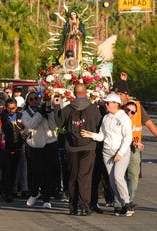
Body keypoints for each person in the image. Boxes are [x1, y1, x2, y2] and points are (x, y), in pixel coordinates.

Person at [114, 74, 157, 203]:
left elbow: (149, 123)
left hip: (134, 148)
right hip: (117, 147)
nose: (119, 97)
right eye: (117, 94)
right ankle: (119, 202)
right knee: (118, 176)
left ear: (127, 95)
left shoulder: (137, 107)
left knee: (133, 176)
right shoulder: (114, 108)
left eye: (121, 94)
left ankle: (129, 200)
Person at [81, 92, 135, 216]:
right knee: (111, 181)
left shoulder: (124, 118)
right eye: (106, 102)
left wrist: (120, 153)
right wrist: (91, 135)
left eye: (108, 103)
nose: (106, 105)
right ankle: (122, 204)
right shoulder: (106, 117)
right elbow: (102, 136)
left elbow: (128, 138)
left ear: (116, 104)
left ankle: (127, 203)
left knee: (118, 177)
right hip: (107, 152)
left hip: (121, 152)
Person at [55, 83, 101, 215]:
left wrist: (57, 106)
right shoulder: (93, 108)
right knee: (85, 177)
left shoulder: (69, 108)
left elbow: (58, 123)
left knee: (73, 176)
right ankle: (85, 207)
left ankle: (73, 207)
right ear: (86, 92)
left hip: (72, 148)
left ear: (74, 94)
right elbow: (99, 124)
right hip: (89, 147)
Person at [22, 90, 58, 210]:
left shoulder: (45, 109)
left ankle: (46, 199)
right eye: (31, 99)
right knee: (37, 172)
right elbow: (31, 125)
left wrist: (50, 113)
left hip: (49, 142)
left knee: (48, 172)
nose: (34, 101)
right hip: (36, 145)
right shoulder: (26, 113)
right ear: (27, 102)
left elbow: (54, 126)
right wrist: (40, 114)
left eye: (36, 98)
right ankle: (34, 192)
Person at [1, 96, 25, 202]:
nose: (11, 110)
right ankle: (7, 192)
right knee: (7, 171)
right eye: (9, 108)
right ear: (6, 107)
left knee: (15, 171)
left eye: (14, 108)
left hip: (19, 145)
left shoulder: (21, 115)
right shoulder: (2, 116)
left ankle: (14, 190)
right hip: (6, 146)